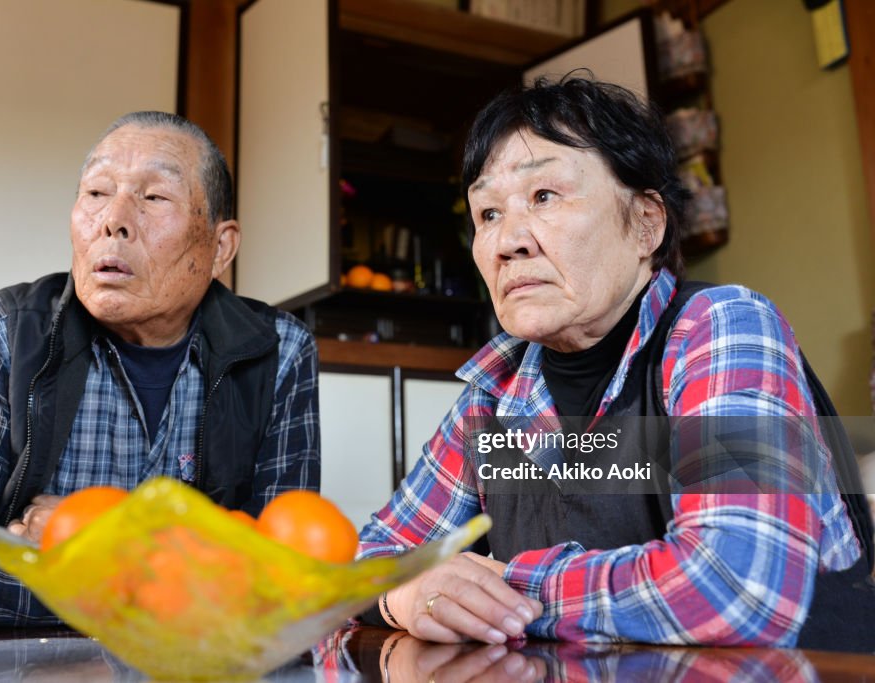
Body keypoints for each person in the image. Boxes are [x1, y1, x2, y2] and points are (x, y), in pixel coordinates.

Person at [358, 76, 874, 650]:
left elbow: (736, 582)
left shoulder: (720, 327)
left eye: (544, 196)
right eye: (486, 214)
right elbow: (369, 561)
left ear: (646, 224)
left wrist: (505, 586)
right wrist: (402, 595)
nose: (507, 241)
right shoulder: (494, 393)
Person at [0, 111, 320, 630]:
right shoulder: (2, 334)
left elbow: (282, 584)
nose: (113, 219)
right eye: (95, 193)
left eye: (154, 197)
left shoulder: (278, 351)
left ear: (219, 247)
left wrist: (96, 548)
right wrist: (169, 587)